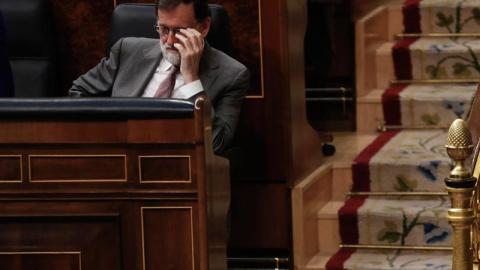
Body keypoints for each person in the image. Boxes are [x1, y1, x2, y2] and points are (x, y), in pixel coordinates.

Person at [69, 0, 250, 154]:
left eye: (179, 31)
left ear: (203, 28)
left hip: (177, 172)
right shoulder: (127, 51)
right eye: (163, 29)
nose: (170, 41)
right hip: (117, 160)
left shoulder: (232, 75)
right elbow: (78, 93)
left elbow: (215, 144)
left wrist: (191, 77)